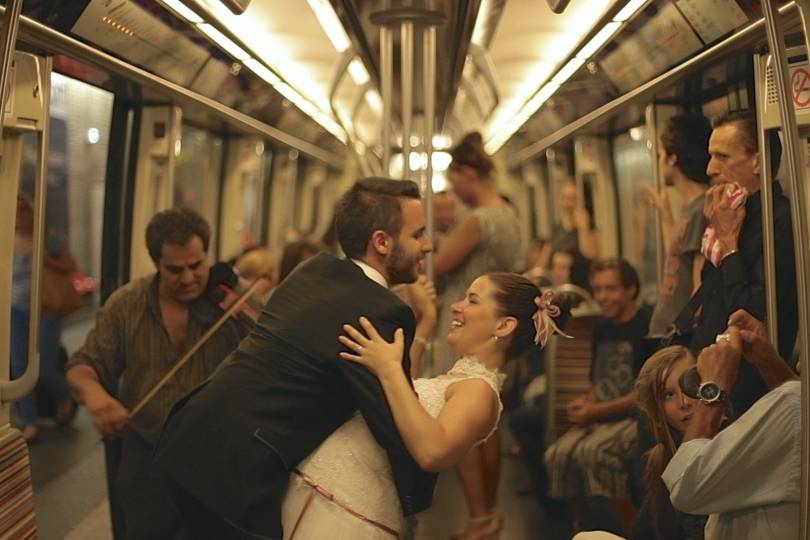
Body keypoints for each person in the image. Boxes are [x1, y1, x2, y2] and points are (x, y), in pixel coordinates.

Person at [154, 178, 435, 539]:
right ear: (381, 241)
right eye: (419, 235)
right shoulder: (384, 311)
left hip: (188, 434)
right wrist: (416, 502)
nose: (428, 245)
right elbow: (394, 422)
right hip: (238, 471)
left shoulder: (313, 270)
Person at [280, 273, 569, 539]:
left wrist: (389, 368)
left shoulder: (481, 391)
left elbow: (433, 452)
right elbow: (411, 399)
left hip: (345, 512)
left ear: (503, 325)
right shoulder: (463, 378)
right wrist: (427, 321)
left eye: (472, 300)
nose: (456, 306)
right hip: (329, 493)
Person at [65, 208, 253, 539]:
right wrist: (95, 396)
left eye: (197, 265)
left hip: (216, 453)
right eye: (175, 270)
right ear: (156, 264)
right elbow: (83, 365)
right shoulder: (127, 304)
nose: (189, 278)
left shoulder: (234, 299)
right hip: (148, 454)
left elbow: (276, 350)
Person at [431, 132, 522, 537]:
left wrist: (436, 244)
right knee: (489, 423)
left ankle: (478, 516)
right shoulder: (508, 213)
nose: (455, 191)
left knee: (466, 423)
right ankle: (491, 510)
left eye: (455, 182)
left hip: (468, 323)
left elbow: (440, 265)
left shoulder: (477, 220)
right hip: (494, 324)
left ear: (468, 174)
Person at [690, 110, 797, 415]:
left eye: (722, 157)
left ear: (758, 161)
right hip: (709, 361)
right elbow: (711, 296)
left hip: (746, 381)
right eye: (711, 156)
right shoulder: (729, 213)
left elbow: (750, 313)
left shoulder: (779, 222)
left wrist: (729, 246)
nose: (711, 168)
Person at [662, 310, 799, 539]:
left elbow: (686, 485)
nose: (685, 403)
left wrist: (713, 386)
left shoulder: (794, 403)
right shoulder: (796, 401)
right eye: (668, 394)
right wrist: (771, 363)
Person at [544, 258, 652, 533]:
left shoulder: (648, 325)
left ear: (630, 289)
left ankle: (630, 531)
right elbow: (597, 381)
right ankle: (587, 527)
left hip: (635, 417)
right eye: (598, 290)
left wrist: (597, 411)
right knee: (557, 454)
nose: (603, 297)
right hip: (603, 414)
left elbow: (645, 392)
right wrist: (586, 402)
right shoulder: (602, 327)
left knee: (594, 452)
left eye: (611, 289)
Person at [11, 195, 76, 442]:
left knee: (45, 366)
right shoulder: (7, 237)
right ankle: (30, 422)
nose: (19, 217)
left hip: (46, 310)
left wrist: (45, 258)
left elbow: (70, 265)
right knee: (19, 369)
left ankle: (66, 395)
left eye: (23, 212)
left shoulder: (48, 238)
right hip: (16, 310)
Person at [646, 114, 712, 337]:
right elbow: (675, 258)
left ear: (672, 159)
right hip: (665, 330)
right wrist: (665, 212)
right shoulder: (688, 208)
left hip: (678, 335)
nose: (659, 161)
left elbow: (699, 287)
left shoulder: (701, 210)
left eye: (661, 155)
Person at [539, 181, 599, 267]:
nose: (566, 203)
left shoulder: (590, 227)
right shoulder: (557, 228)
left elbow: (590, 255)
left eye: (572, 198)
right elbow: (543, 260)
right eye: (563, 198)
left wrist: (583, 228)